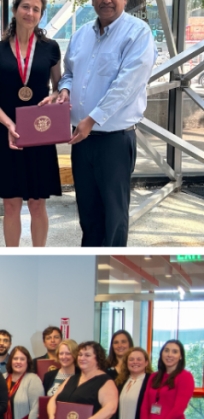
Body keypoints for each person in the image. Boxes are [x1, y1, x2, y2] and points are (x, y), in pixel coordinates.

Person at [51, 0, 156, 246]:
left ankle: (113, 274)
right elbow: (69, 73)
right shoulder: (80, 35)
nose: (106, 0)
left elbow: (126, 86)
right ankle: (89, 268)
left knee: (114, 216)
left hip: (114, 140)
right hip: (80, 140)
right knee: (88, 214)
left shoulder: (138, 33)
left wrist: (91, 120)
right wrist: (65, 90)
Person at [0, 0, 62, 247]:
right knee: (10, 204)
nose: (30, 13)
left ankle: (38, 258)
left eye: (36, 9)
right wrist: (7, 124)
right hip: (9, 135)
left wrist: (56, 97)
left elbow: (60, 88)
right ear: (15, 10)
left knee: (38, 203)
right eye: (25, 6)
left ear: (41, 15)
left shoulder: (50, 49)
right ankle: (12, 258)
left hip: (40, 132)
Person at [47, 341, 118, 419]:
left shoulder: (105, 381)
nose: (82, 358)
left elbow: (110, 408)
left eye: (87, 355)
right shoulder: (71, 379)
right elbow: (53, 399)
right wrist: (52, 416)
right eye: (80, 355)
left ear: (98, 358)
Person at [139, 340, 195, 419]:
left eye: (175, 352)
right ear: (161, 354)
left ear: (181, 356)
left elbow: (177, 411)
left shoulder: (185, 377)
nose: (169, 354)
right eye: (166, 350)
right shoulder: (154, 376)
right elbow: (145, 404)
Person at [5, 347, 44, 419]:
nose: (18, 361)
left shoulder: (33, 379)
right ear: (11, 361)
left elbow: (35, 409)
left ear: (27, 362)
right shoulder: (2, 377)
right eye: (15, 358)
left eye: (22, 359)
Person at [116, 348, 152, 419]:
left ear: (146, 362)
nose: (135, 362)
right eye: (131, 359)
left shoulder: (152, 383)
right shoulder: (119, 382)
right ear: (127, 363)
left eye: (139, 359)